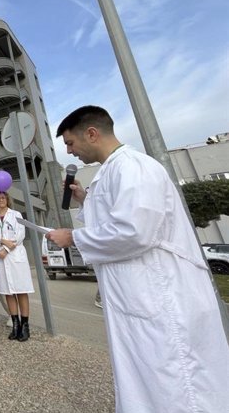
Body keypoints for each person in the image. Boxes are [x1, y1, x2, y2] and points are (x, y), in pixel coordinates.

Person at [46, 105, 229, 412]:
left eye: (70, 143)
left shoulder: (132, 166)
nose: (69, 151)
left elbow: (135, 231)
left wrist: (74, 237)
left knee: (177, 380)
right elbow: (116, 216)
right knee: (145, 379)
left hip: (161, 297)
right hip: (136, 297)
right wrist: (85, 199)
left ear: (91, 133)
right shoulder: (110, 172)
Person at [0, 191, 33, 341]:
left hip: (15, 256)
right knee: (8, 293)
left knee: (21, 291)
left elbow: (20, 234)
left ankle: (25, 326)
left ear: (7, 199)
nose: (1, 200)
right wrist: (3, 241)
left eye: (3, 197)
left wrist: (7, 249)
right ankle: (15, 324)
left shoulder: (15, 214)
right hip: (1, 259)